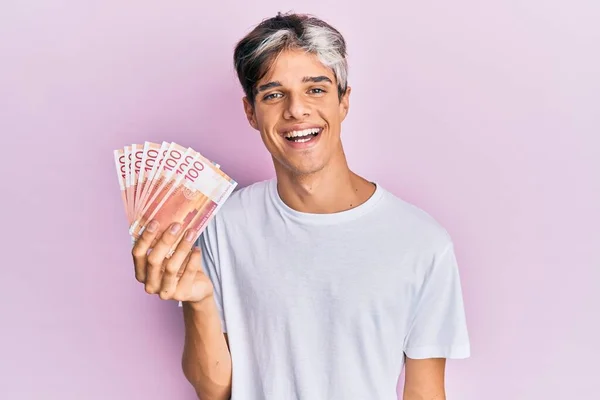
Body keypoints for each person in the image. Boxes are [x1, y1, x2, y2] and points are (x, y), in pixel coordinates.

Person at [132, 12, 470, 400]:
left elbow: (425, 393)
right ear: (250, 113)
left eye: (316, 89)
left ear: (344, 101)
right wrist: (199, 301)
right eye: (273, 94)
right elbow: (215, 390)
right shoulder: (221, 225)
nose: (296, 110)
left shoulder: (422, 243)